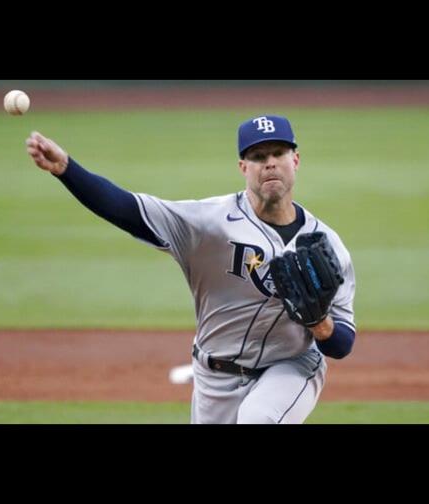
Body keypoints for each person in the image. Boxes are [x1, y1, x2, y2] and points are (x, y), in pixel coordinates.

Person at [25, 114, 356, 424]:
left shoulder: (326, 244)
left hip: (290, 367)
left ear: (295, 160)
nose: (270, 162)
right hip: (213, 376)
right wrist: (66, 169)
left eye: (279, 152)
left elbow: (341, 344)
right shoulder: (208, 222)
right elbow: (127, 210)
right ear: (243, 167)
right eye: (258, 156)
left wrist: (320, 324)